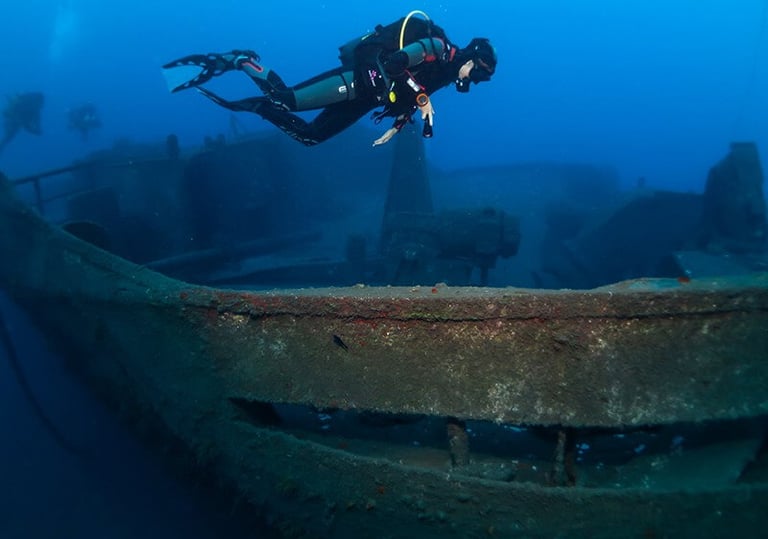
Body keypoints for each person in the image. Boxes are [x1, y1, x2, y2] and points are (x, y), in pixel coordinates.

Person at [163, 11, 496, 146]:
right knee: (285, 98)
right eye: (477, 74)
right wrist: (422, 99)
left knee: (310, 137)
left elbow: (408, 95)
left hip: (367, 99)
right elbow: (396, 63)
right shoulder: (437, 47)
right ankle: (244, 61)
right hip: (358, 80)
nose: (473, 81)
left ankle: (259, 107)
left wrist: (396, 127)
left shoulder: (444, 74)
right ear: (471, 57)